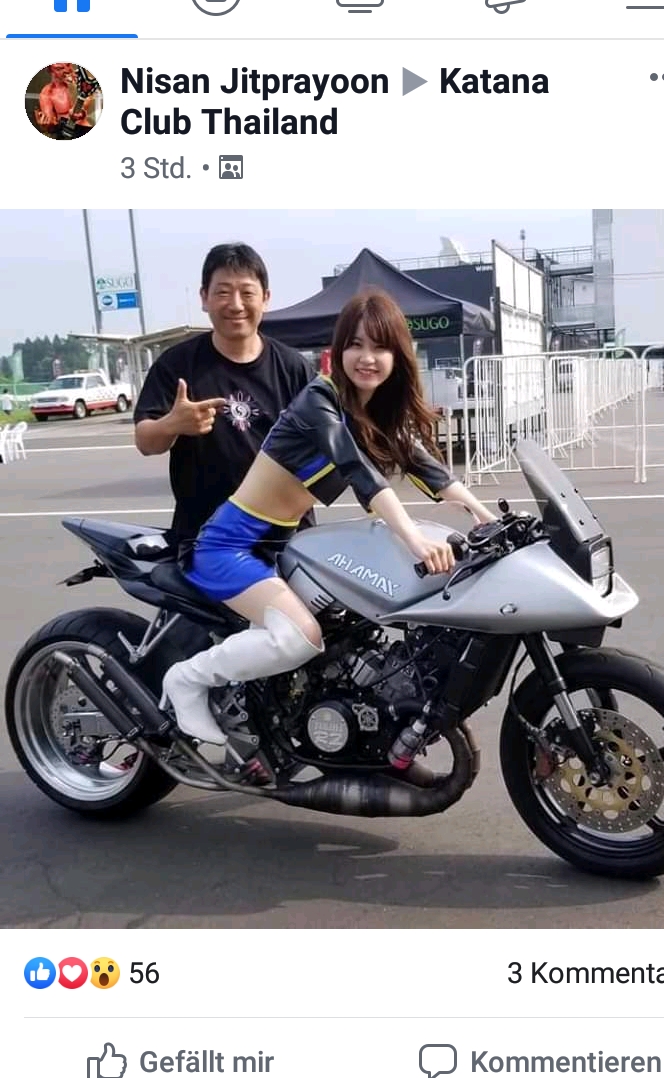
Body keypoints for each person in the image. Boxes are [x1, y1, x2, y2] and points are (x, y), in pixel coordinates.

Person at [160, 289, 496, 773]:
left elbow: (422, 464)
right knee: (298, 637)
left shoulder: (372, 409)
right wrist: (414, 539)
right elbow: (360, 472)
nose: (367, 358)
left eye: (380, 347)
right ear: (337, 351)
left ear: (398, 355)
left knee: (347, 631)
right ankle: (187, 679)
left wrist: (484, 515)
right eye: (355, 344)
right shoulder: (319, 400)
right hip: (231, 546)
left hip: (280, 547)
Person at [134, 243, 314, 553]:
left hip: (287, 537)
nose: (236, 304)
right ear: (204, 298)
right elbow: (145, 442)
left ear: (266, 298)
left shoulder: (293, 368)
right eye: (223, 292)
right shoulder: (176, 365)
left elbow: (326, 445)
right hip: (206, 538)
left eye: (247, 293)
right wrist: (172, 424)